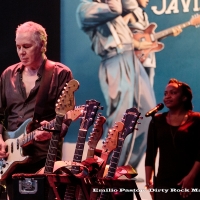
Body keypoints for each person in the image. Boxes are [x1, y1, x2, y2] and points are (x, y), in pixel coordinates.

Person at [76, 0, 156, 169]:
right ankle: (110, 168)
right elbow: (115, 8)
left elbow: (127, 12)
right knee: (121, 116)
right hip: (114, 60)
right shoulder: (85, 9)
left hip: (130, 57)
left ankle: (126, 170)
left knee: (146, 115)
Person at [0, 21, 73, 199]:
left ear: (42, 45)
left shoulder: (59, 73)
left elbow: (66, 120)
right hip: (10, 159)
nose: (21, 52)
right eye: (18, 47)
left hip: (44, 159)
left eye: (26, 46)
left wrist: (53, 131)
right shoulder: (7, 74)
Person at [145, 78, 200, 200]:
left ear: (184, 98)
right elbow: (150, 153)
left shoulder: (196, 119)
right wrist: (149, 183)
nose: (167, 96)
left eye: (173, 93)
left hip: (192, 183)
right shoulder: (157, 121)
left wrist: (191, 177)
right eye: (165, 94)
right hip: (164, 183)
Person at [122, 0, 182, 87]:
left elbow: (149, 38)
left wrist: (170, 34)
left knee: (147, 94)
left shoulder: (143, 14)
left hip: (148, 60)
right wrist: (138, 44)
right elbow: (117, 35)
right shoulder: (127, 14)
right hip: (133, 60)